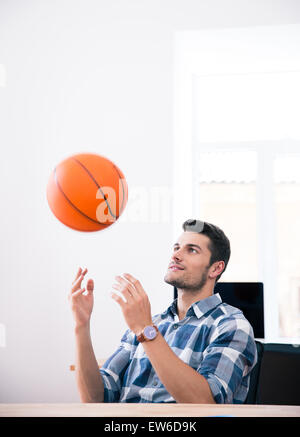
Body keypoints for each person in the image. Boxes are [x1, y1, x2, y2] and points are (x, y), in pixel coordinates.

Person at [68, 219, 257, 404]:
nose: (176, 255)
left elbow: (205, 403)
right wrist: (81, 325)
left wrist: (145, 330)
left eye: (191, 250)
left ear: (216, 268)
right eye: (176, 248)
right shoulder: (150, 324)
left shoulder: (231, 325)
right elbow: (95, 398)